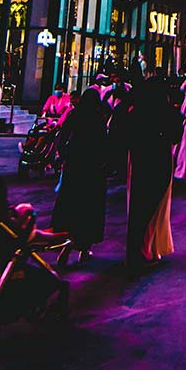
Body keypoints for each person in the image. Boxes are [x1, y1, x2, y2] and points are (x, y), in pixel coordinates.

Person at [125, 61, 178, 264]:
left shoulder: (137, 111)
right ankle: (147, 249)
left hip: (139, 162)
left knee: (139, 207)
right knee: (154, 209)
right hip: (159, 163)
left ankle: (141, 249)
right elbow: (175, 134)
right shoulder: (163, 110)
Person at [52, 88, 109, 257]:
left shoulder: (74, 115)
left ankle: (66, 242)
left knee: (71, 203)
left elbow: (63, 137)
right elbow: (104, 143)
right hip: (93, 168)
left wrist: (62, 156)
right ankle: (84, 247)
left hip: (74, 164)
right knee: (89, 207)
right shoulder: (98, 117)